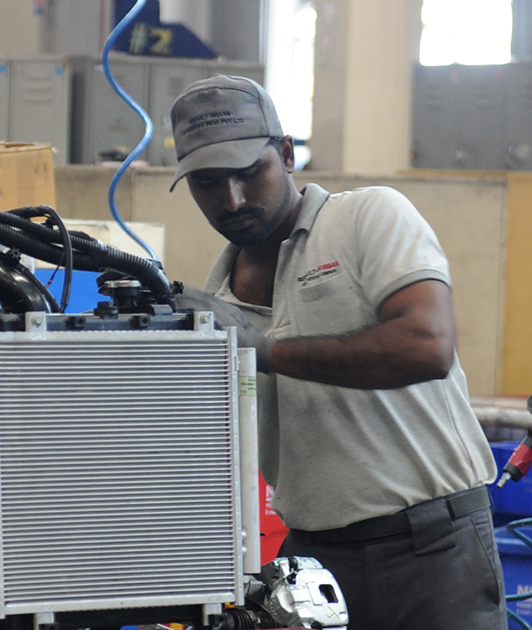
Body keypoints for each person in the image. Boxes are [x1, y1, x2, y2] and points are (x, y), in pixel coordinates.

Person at [165, 75, 505, 630]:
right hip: (313, 562)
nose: (232, 199)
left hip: (431, 546)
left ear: (286, 153)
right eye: (207, 182)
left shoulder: (368, 218)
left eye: (250, 174)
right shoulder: (217, 300)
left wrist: (267, 352)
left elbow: (428, 346)